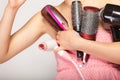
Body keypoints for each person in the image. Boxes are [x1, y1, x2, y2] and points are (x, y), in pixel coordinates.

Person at [0, 0, 120, 80]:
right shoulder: (50, 15)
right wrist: (12, 7)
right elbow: (2, 55)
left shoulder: (114, 6)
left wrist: (79, 44)